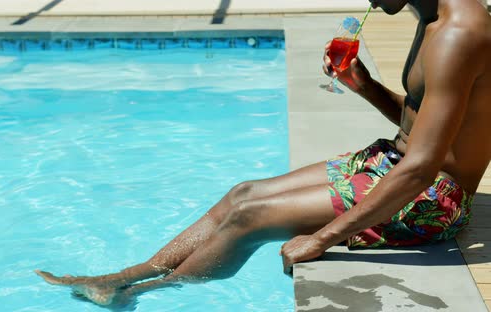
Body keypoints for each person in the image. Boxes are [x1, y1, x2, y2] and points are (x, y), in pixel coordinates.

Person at [36, 0, 491, 308]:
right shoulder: (435, 16)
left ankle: (144, 294)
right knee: (243, 195)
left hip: (432, 200)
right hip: (395, 167)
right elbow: (422, 128)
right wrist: (366, 87)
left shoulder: (459, 33)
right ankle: (122, 277)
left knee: (250, 219)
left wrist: (322, 238)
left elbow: (423, 166)